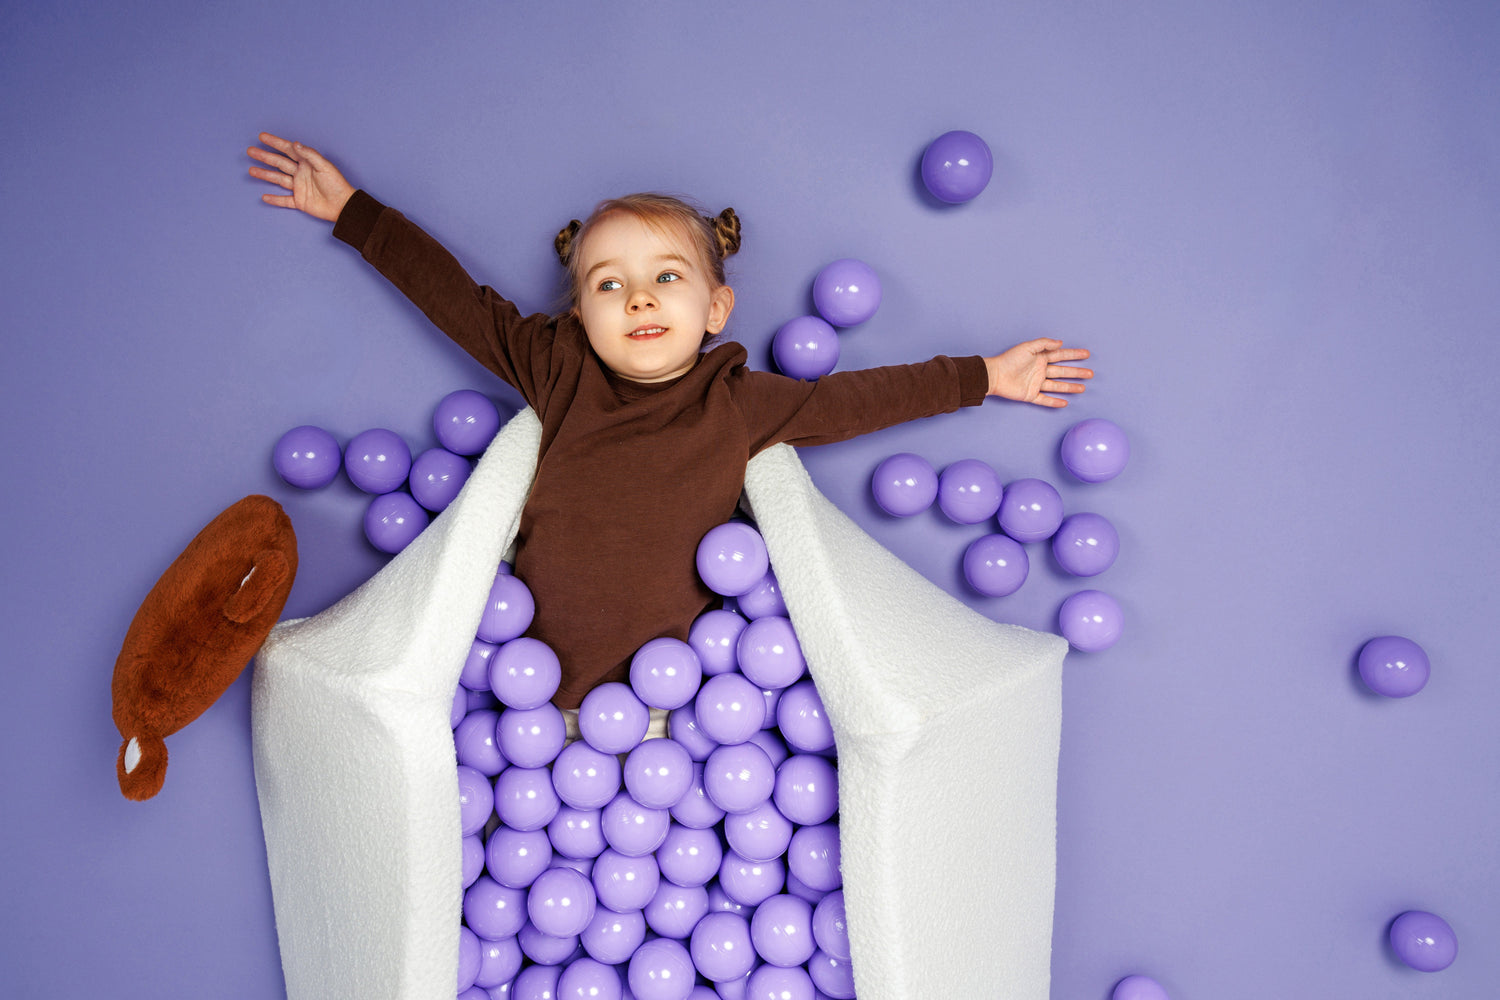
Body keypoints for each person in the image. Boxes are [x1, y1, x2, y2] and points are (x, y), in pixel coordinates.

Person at [247, 132, 1093, 710]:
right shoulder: (556, 369)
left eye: (665, 277)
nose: (639, 296)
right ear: (577, 315)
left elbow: (858, 400)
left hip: (683, 711)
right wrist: (356, 214)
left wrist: (985, 375)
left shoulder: (738, 405)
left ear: (717, 306)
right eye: (608, 283)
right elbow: (459, 302)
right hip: (524, 697)